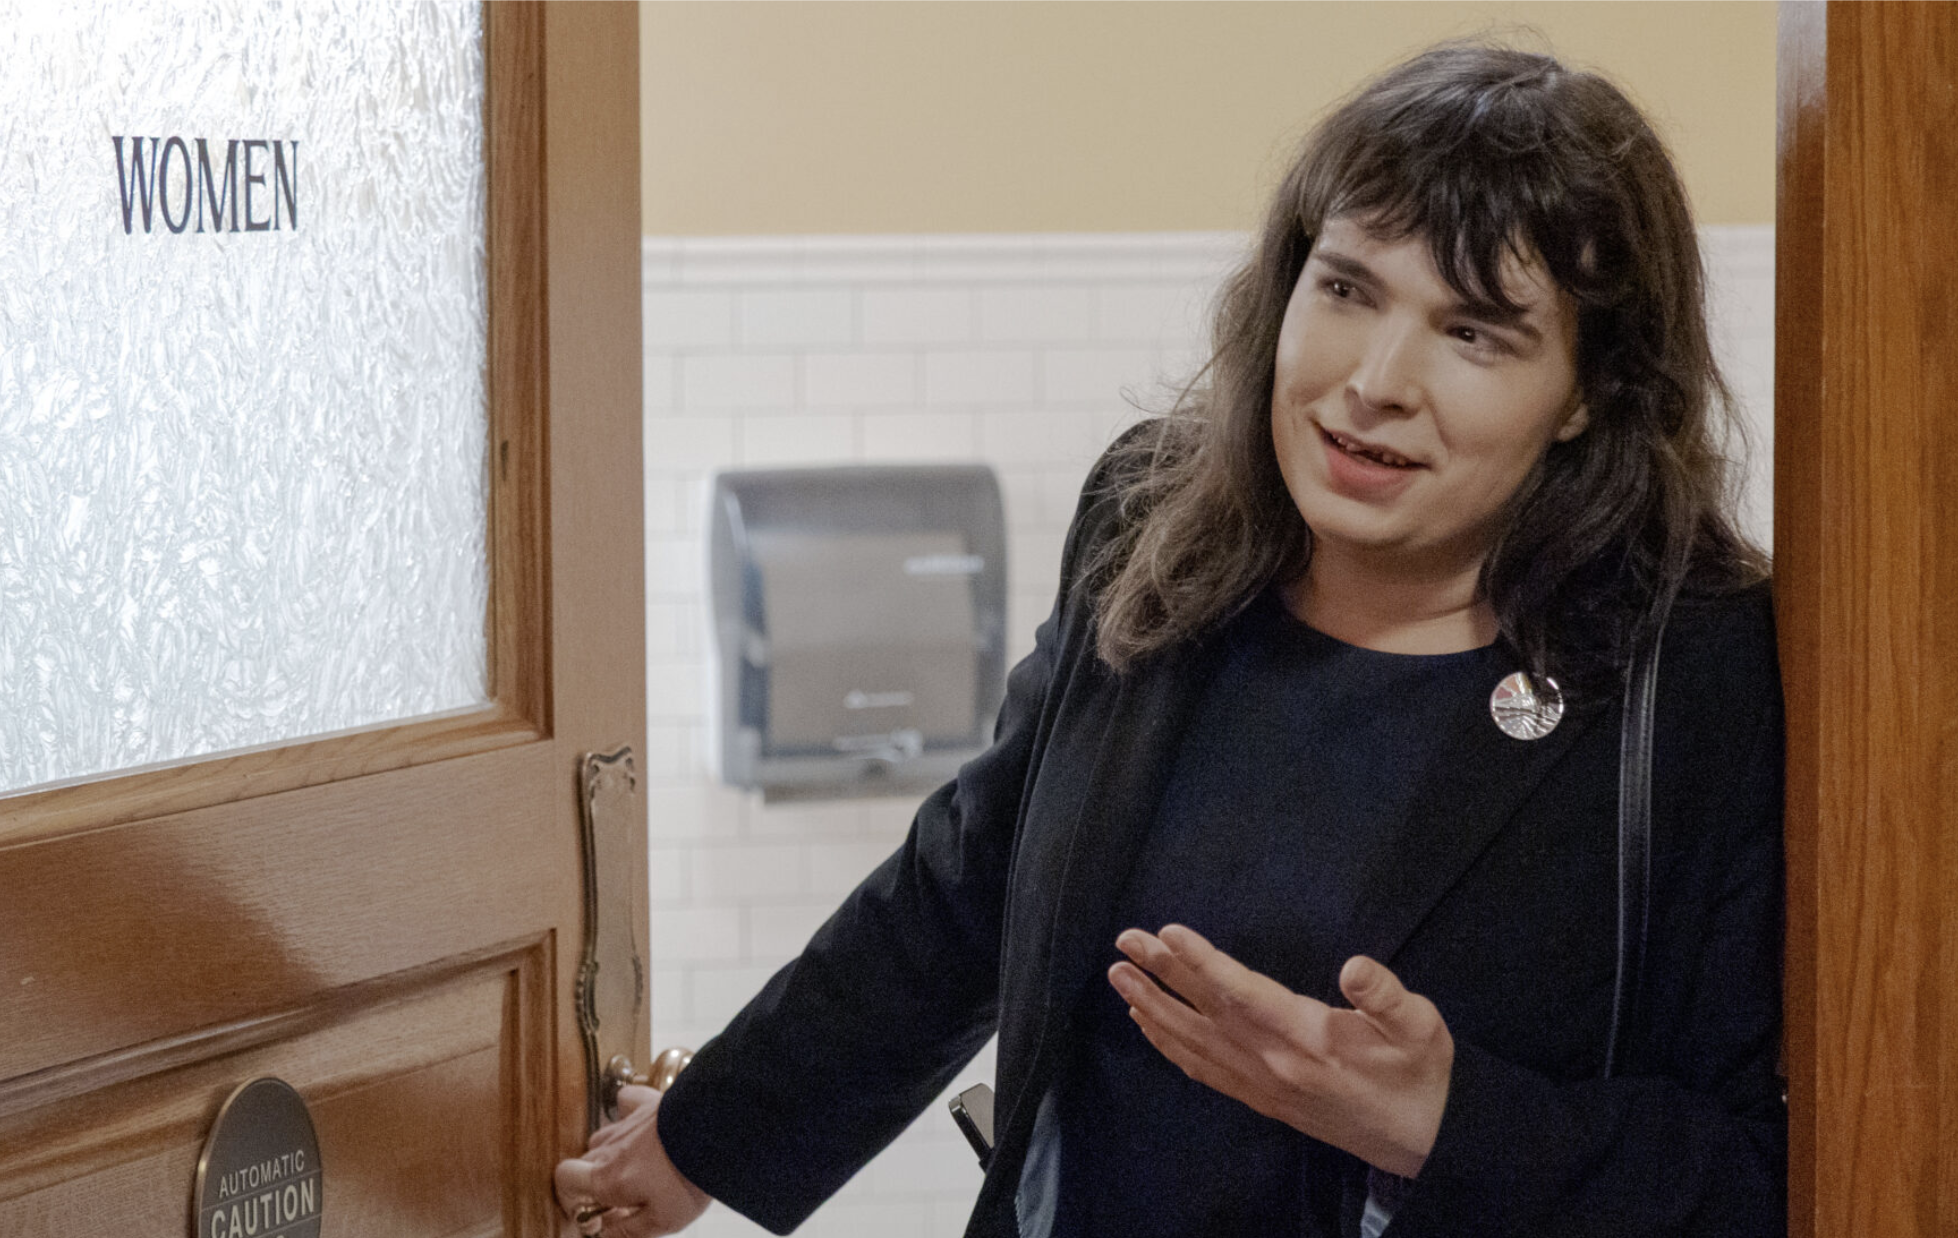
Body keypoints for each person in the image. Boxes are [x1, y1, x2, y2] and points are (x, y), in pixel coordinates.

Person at [558, 41, 1784, 1238]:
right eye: (1348, 289)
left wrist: (1437, 1121)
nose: (1375, 380)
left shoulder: (1697, 664)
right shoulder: (1152, 522)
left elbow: (1758, 1169)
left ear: (1587, 391)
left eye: (1475, 332)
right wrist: (704, 1135)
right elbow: (974, 883)